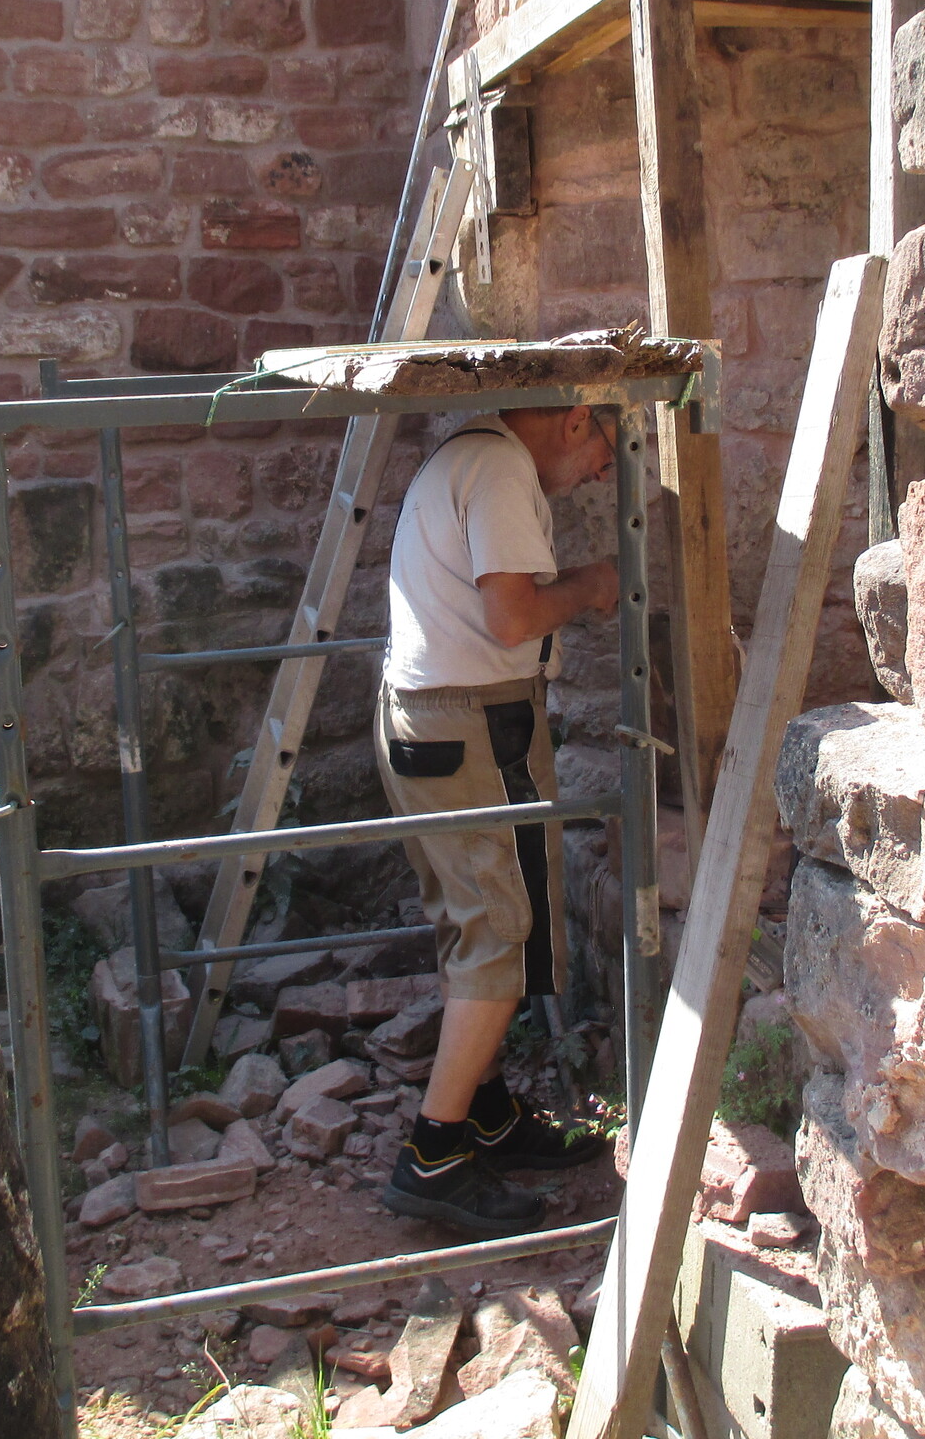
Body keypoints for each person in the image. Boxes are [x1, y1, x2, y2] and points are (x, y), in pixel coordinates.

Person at [374, 401, 621, 1236]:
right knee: (503, 935)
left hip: (426, 717)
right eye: (607, 449)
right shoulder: (503, 468)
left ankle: (484, 1113)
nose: (603, 474)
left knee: (470, 920)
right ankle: (435, 1155)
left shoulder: (470, 457)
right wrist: (590, 586)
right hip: (471, 721)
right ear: (576, 421)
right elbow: (511, 619)